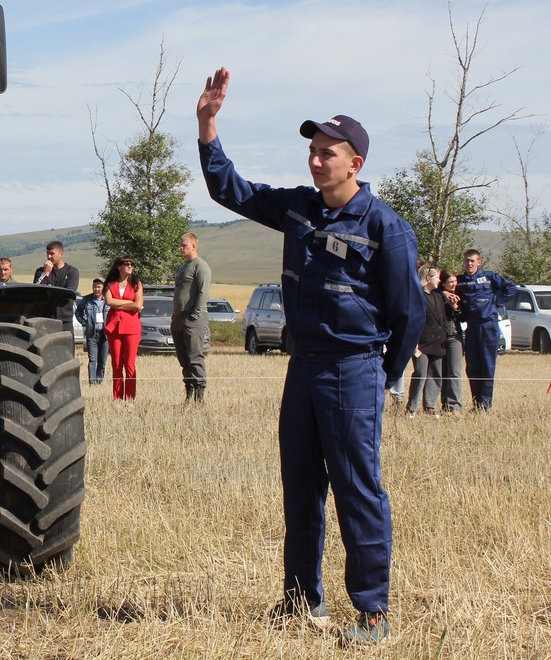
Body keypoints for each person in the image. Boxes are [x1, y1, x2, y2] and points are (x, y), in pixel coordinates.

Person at [197, 67, 425, 647]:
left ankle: (373, 613)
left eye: (328, 153)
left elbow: (410, 315)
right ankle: (301, 601)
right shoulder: (299, 208)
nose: (316, 161)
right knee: (299, 487)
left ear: (357, 164)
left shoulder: (385, 228)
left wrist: (384, 375)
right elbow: (232, 190)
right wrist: (208, 125)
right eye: (312, 151)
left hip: (353, 369)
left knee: (357, 488)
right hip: (303, 368)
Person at [455, 248, 515, 411]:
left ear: (479, 262)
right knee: (472, 366)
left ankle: (485, 405)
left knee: (487, 366)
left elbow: (511, 288)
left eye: (472, 261)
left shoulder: (490, 277)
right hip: (471, 327)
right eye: (467, 260)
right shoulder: (459, 280)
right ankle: (476, 403)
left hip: (488, 326)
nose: (469, 263)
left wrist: (495, 304)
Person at [172, 232, 212, 403]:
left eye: (184, 245)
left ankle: (199, 396)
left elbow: (204, 292)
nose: (181, 249)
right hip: (178, 318)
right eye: (180, 245)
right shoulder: (183, 266)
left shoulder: (200, 266)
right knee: (184, 359)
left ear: (194, 246)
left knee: (195, 357)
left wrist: (195, 315)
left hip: (193, 318)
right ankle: (189, 394)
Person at [406, 268, 446, 418]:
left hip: (437, 342)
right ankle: (412, 408)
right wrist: (414, 343)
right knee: (421, 373)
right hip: (421, 343)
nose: (439, 281)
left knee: (435, 374)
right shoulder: (418, 296)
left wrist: (444, 337)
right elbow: (413, 321)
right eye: (437, 278)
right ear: (428, 278)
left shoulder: (438, 297)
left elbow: (442, 319)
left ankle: (430, 406)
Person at [103, 256, 143, 401]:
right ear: (118, 267)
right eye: (126, 264)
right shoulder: (110, 283)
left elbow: (138, 305)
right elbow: (109, 301)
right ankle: (117, 397)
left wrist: (118, 304)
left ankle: (130, 397)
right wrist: (129, 303)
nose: (130, 266)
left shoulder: (137, 284)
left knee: (130, 364)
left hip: (132, 327)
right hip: (114, 326)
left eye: (132, 264)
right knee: (117, 363)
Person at [33, 241, 80, 335]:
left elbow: (69, 294)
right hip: (45, 319)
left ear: (61, 254)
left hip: (64, 320)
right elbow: (36, 291)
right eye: (47, 254)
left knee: (66, 348)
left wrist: (48, 293)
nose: (49, 257)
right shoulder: (40, 272)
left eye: (52, 253)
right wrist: (45, 274)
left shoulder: (72, 272)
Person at [438, 270, 466, 413]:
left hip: (455, 336)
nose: (454, 284)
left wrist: (455, 307)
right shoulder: (437, 296)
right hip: (440, 338)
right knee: (442, 372)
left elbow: (463, 318)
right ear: (443, 284)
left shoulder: (459, 296)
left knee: (454, 371)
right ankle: (445, 405)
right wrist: (444, 295)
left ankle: (455, 406)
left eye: (455, 281)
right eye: (450, 282)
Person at [75, 278, 109, 385]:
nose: (96, 289)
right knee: (92, 360)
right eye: (94, 287)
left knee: (102, 361)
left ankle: (99, 380)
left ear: (103, 287)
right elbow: (78, 312)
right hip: (92, 334)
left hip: (105, 334)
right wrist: (85, 322)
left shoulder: (109, 300)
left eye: (98, 287)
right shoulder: (86, 299)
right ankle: (92, 382)